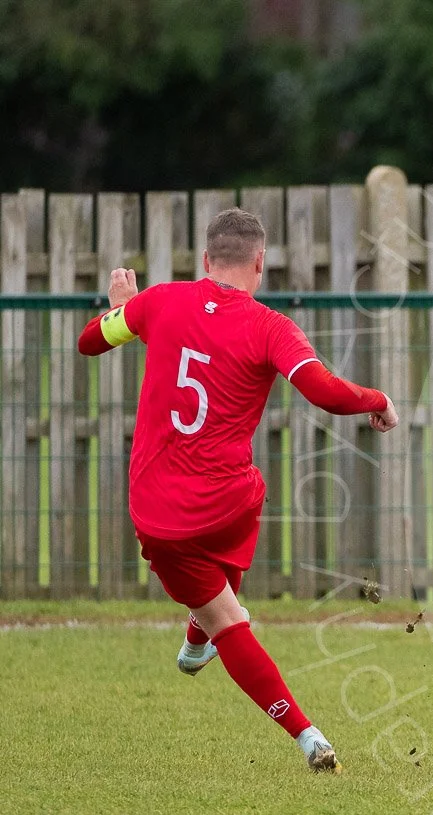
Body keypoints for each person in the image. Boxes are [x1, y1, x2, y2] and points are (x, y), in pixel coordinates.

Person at [77, 208, 398, 772]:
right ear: (260, 262)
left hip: (160, 515)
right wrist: (377, 399)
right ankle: (209, 648)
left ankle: (306, 735)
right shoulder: (270, 326)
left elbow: (88, 344)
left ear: (205, 261)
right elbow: (324, 391)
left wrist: (121, 310)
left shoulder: (159, 302)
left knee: (230, 619)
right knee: (245, 512)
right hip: (229, 502)